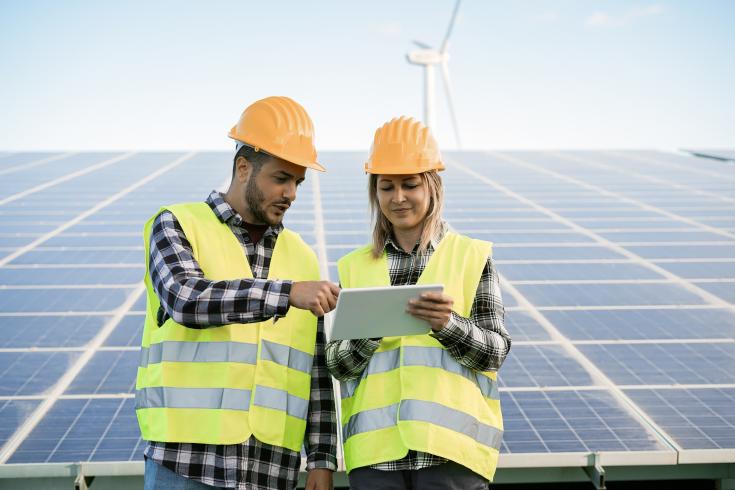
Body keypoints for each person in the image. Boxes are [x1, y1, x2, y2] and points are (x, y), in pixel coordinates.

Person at [136, 96, 340, 490]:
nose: (291, 193)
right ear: (244, 167)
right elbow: (186, 298)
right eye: (281, 178)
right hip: (187, 461)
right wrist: (285, 293)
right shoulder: (177, 224)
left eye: (297, 182)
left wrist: (321, 458)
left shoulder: (301, 256)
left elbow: (315, 368)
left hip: (271, 468)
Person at [326, 116, 512, 489]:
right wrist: (371, 330)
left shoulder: (471, 256)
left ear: (432, 186)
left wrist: (448, 326)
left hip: (451, 454)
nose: (398, 198)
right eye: (386, 187)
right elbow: (337, 364)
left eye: (409, 184)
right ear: (374, 192)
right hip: (375, 458)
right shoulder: (354, 266)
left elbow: (495, 352)